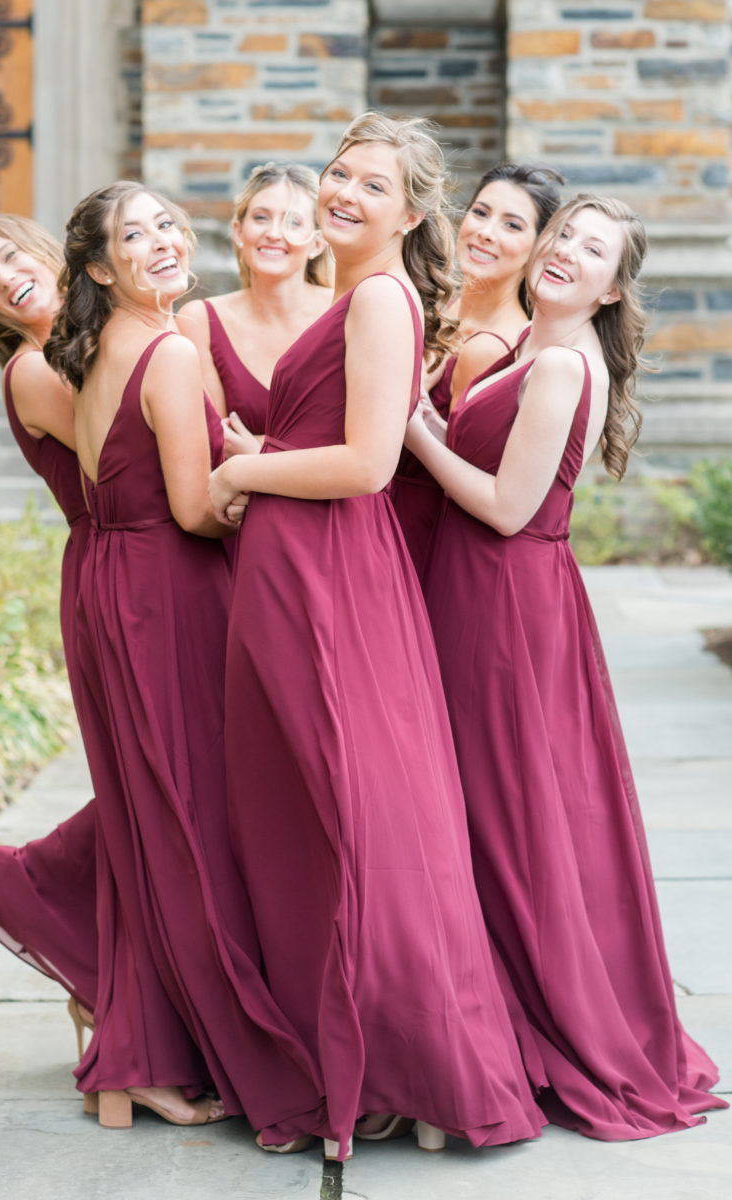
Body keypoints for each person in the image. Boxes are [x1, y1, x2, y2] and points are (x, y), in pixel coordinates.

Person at [208, 112, 545, 1160]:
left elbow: (362, 464)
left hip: (329, 577)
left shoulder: (387, 300)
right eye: (338, 173)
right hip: (293, 572)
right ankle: (344, 1048)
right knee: (305, 814)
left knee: (363, 814)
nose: (343, 192)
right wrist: (261, 451)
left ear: (411, 211)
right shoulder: (357, 296)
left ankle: (408, 1060)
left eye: (371, 184)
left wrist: (240, 469)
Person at [405, 193, 728, 1138]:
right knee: (502, 811)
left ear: (612, 285)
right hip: (494, 591)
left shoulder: (556, 366)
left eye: (592, 250)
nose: (565, 255)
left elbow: (506, 508)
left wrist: (415, 429)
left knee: (500, 815)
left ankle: (519, 1029)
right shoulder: (529, 349)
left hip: (501, 601)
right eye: (563, 237)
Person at [44, 181, 325, 1134]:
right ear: (95, 266)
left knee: (147, 817)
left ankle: (137, 1050)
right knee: (194, 823)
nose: (163, 240)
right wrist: (260, 479)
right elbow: (198, 508)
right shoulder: (165, 350)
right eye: (135, 234)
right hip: (169, 592)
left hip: (114, 581)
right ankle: (172, 1047)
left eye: (168, 222)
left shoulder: (96, 350)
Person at [0, 215, 99, 1043]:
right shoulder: (36, 369)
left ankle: (102, 973)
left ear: (47, 249)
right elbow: (130, 457)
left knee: (193, 789)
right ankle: (10, 888)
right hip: (126, 573)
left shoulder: (105, 336)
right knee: (168, 790)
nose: (5, 277)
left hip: (196, 562)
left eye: (10, 255)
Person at [390, 163, 563, 575]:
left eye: (512, 225)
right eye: (481, 213)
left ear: (539, 248)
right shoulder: (440, 309)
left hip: (424, 533)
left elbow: (462, 466)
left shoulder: (492, 349)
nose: (486, 232)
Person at [177, 161, 333, 457]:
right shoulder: (201, 320)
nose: (274, 233)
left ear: (318, 243)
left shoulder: (347, 309)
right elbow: (216, 444)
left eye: (293, 222)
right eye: (261, 218)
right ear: (238, 231)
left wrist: (258, 449)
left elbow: (364, 440)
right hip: (245, 500)